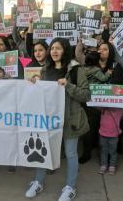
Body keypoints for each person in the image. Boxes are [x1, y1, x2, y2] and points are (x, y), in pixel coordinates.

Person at [25, 38, 90, 201]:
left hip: (70, 120)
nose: (54, 51)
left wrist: (68, 85)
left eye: (58, 48)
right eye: (52, 48)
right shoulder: (46, 69)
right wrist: (35, 84)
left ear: (65, 50)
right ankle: (38, 181)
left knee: (70, 154)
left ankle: (70, 186)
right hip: (49, 119)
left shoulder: (76, 70)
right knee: (43, 150)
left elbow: (86, 95)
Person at [98, 108, 123, 175]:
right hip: (103, 134)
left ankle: (112, 166)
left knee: (113, 152)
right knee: (104, 151)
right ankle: (104, 165)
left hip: (114, 136)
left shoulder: (119, 110)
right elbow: (95, 103)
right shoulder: (103, 109)